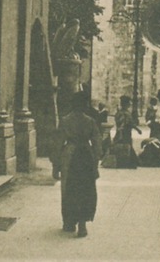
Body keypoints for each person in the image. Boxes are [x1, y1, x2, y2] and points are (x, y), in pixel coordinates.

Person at [57, 91, 102, 238]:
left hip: (70, 155)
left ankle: (69, 222)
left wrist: (55, 164)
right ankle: (82, 223)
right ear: (85, 105)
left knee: (69, 188)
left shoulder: (65, 120)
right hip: (86, 156)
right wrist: (95, 161)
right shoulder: (90, 121)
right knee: (86, 189)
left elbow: (58, 143)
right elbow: (97, 143)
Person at [109, 95, 141, 168]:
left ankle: (125, 161)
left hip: (121, 132)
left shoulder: (120, 113)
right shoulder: (125, 113)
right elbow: (130, 123)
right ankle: (128, 162)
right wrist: (137, 129)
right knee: (126, 146)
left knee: (123, 146)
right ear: (125, 104)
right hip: (125, 133)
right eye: (128, 103)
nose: (130, 104)